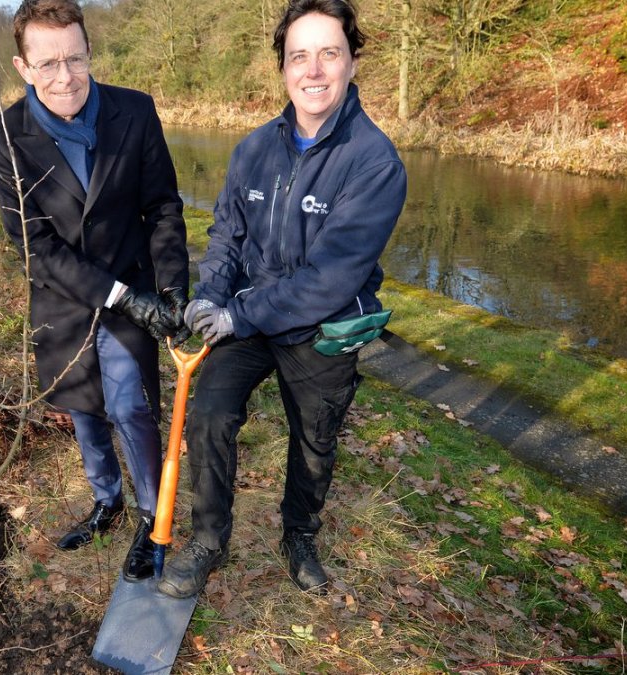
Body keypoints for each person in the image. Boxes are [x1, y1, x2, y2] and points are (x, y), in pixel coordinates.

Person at [157, 0, 407, 598]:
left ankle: (300, 534)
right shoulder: (252, 150)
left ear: (351, 62)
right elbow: (226, 235)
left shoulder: (374, 162)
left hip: (320, 327)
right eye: (300, 55)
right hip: (246, 317)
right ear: (283, 67)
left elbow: (329, 278)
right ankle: (209, 540)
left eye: (329, 53)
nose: (313, 70)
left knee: (315, 439)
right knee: (210, 415)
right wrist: (211, 295)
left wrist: (235, 311)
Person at [0, 0, 190, 582]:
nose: (65, 76)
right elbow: (34, 245)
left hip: (136, 286)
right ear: (23, 66)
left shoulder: (135, 111)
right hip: (63, 296)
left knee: (129, 406)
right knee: (81, 408)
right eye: (47, 64)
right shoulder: (3, 137)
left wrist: (171, 287)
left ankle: (154, 517)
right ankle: (106, 501)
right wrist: (120, 295)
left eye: (74, 58)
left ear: (90, 52)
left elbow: (163, 206)